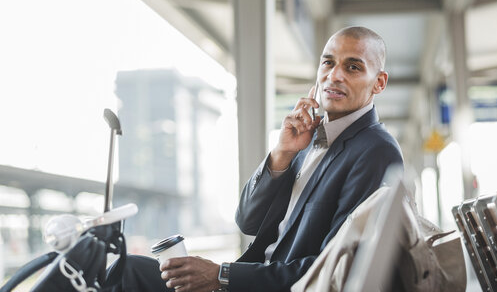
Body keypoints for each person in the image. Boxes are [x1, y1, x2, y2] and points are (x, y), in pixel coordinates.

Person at [110, 26, 403, 292]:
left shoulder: (376, 152)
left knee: (130, 276)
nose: (334, 75)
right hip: (247, 281)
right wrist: (282, 153)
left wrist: (221, 275)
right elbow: (248, 221)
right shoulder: (307, 137)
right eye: (328, 62)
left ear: (379, 82)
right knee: (128, 269)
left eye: (353, 67)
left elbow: (336, 270)